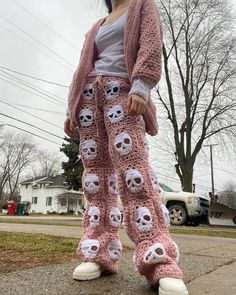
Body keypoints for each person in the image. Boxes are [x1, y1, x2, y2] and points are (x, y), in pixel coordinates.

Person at [64, 0, 189, 294]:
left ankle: (159, 259)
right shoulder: (98, 25)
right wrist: (72, 109)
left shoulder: (143, 5)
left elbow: (150, 43)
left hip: (122, 93)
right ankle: (99, 252)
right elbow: (83, 67)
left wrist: (142, 87)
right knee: (96, 181)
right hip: (89, 100)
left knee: (135, 176)